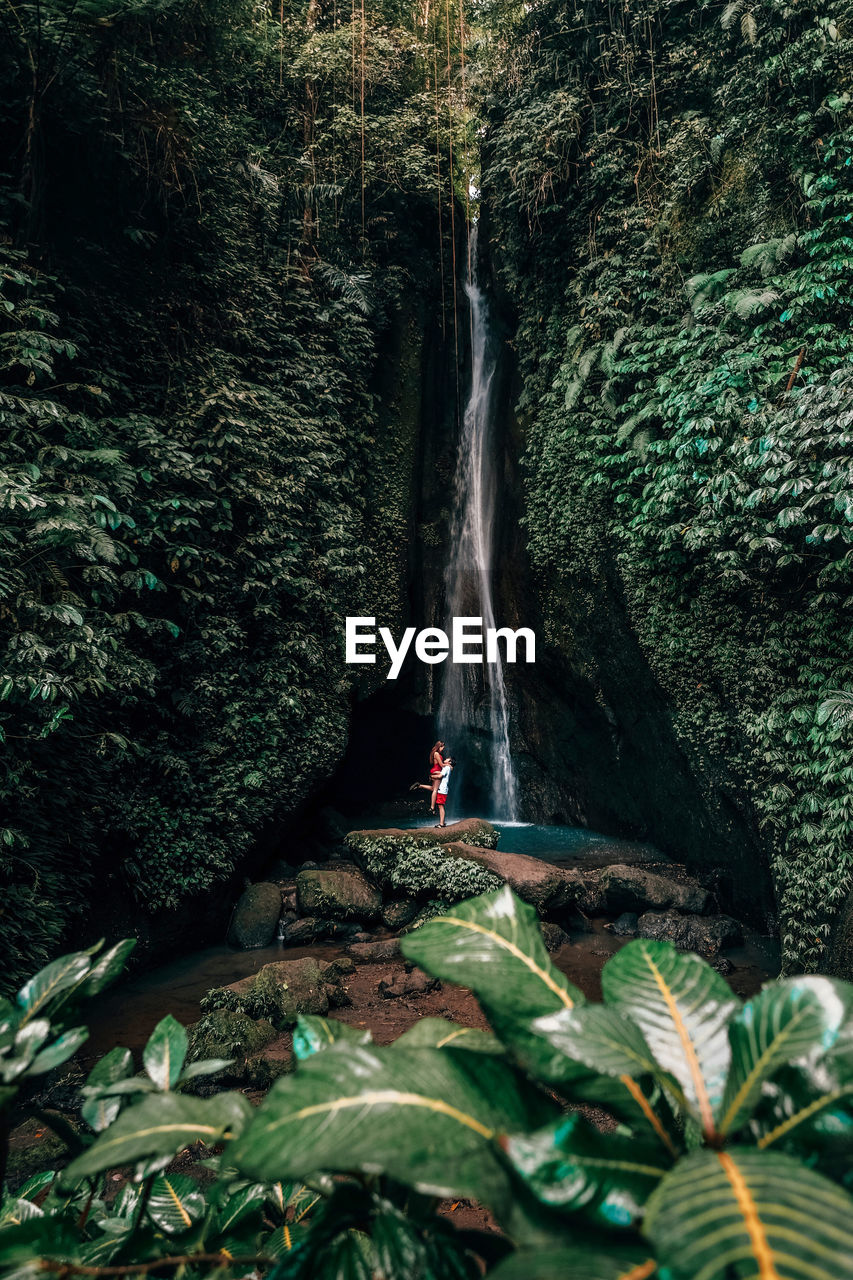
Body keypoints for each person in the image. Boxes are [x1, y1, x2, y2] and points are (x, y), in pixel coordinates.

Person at [410, 740, 445, 813]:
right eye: (442, 747)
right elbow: (441, 765)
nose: (443, 748)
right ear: (439, 747)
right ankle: (432, 807)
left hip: (435, 771)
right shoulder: (436, 754)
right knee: (436, 790)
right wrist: (449, 765)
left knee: (433, 788)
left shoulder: (436, 753)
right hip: (437, 771)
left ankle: (420, 786)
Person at [435, 756, 453, 828]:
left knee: (440, 806)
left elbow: (440, 776)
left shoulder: (446, 768)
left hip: (442, 789)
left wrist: (432, 776)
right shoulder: (447, 767)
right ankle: (442, 822)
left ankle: (441, 823)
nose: (445, 759)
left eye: (447, 759)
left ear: (450, 762)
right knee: (441, 806)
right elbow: (441, 773)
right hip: (443, 789)